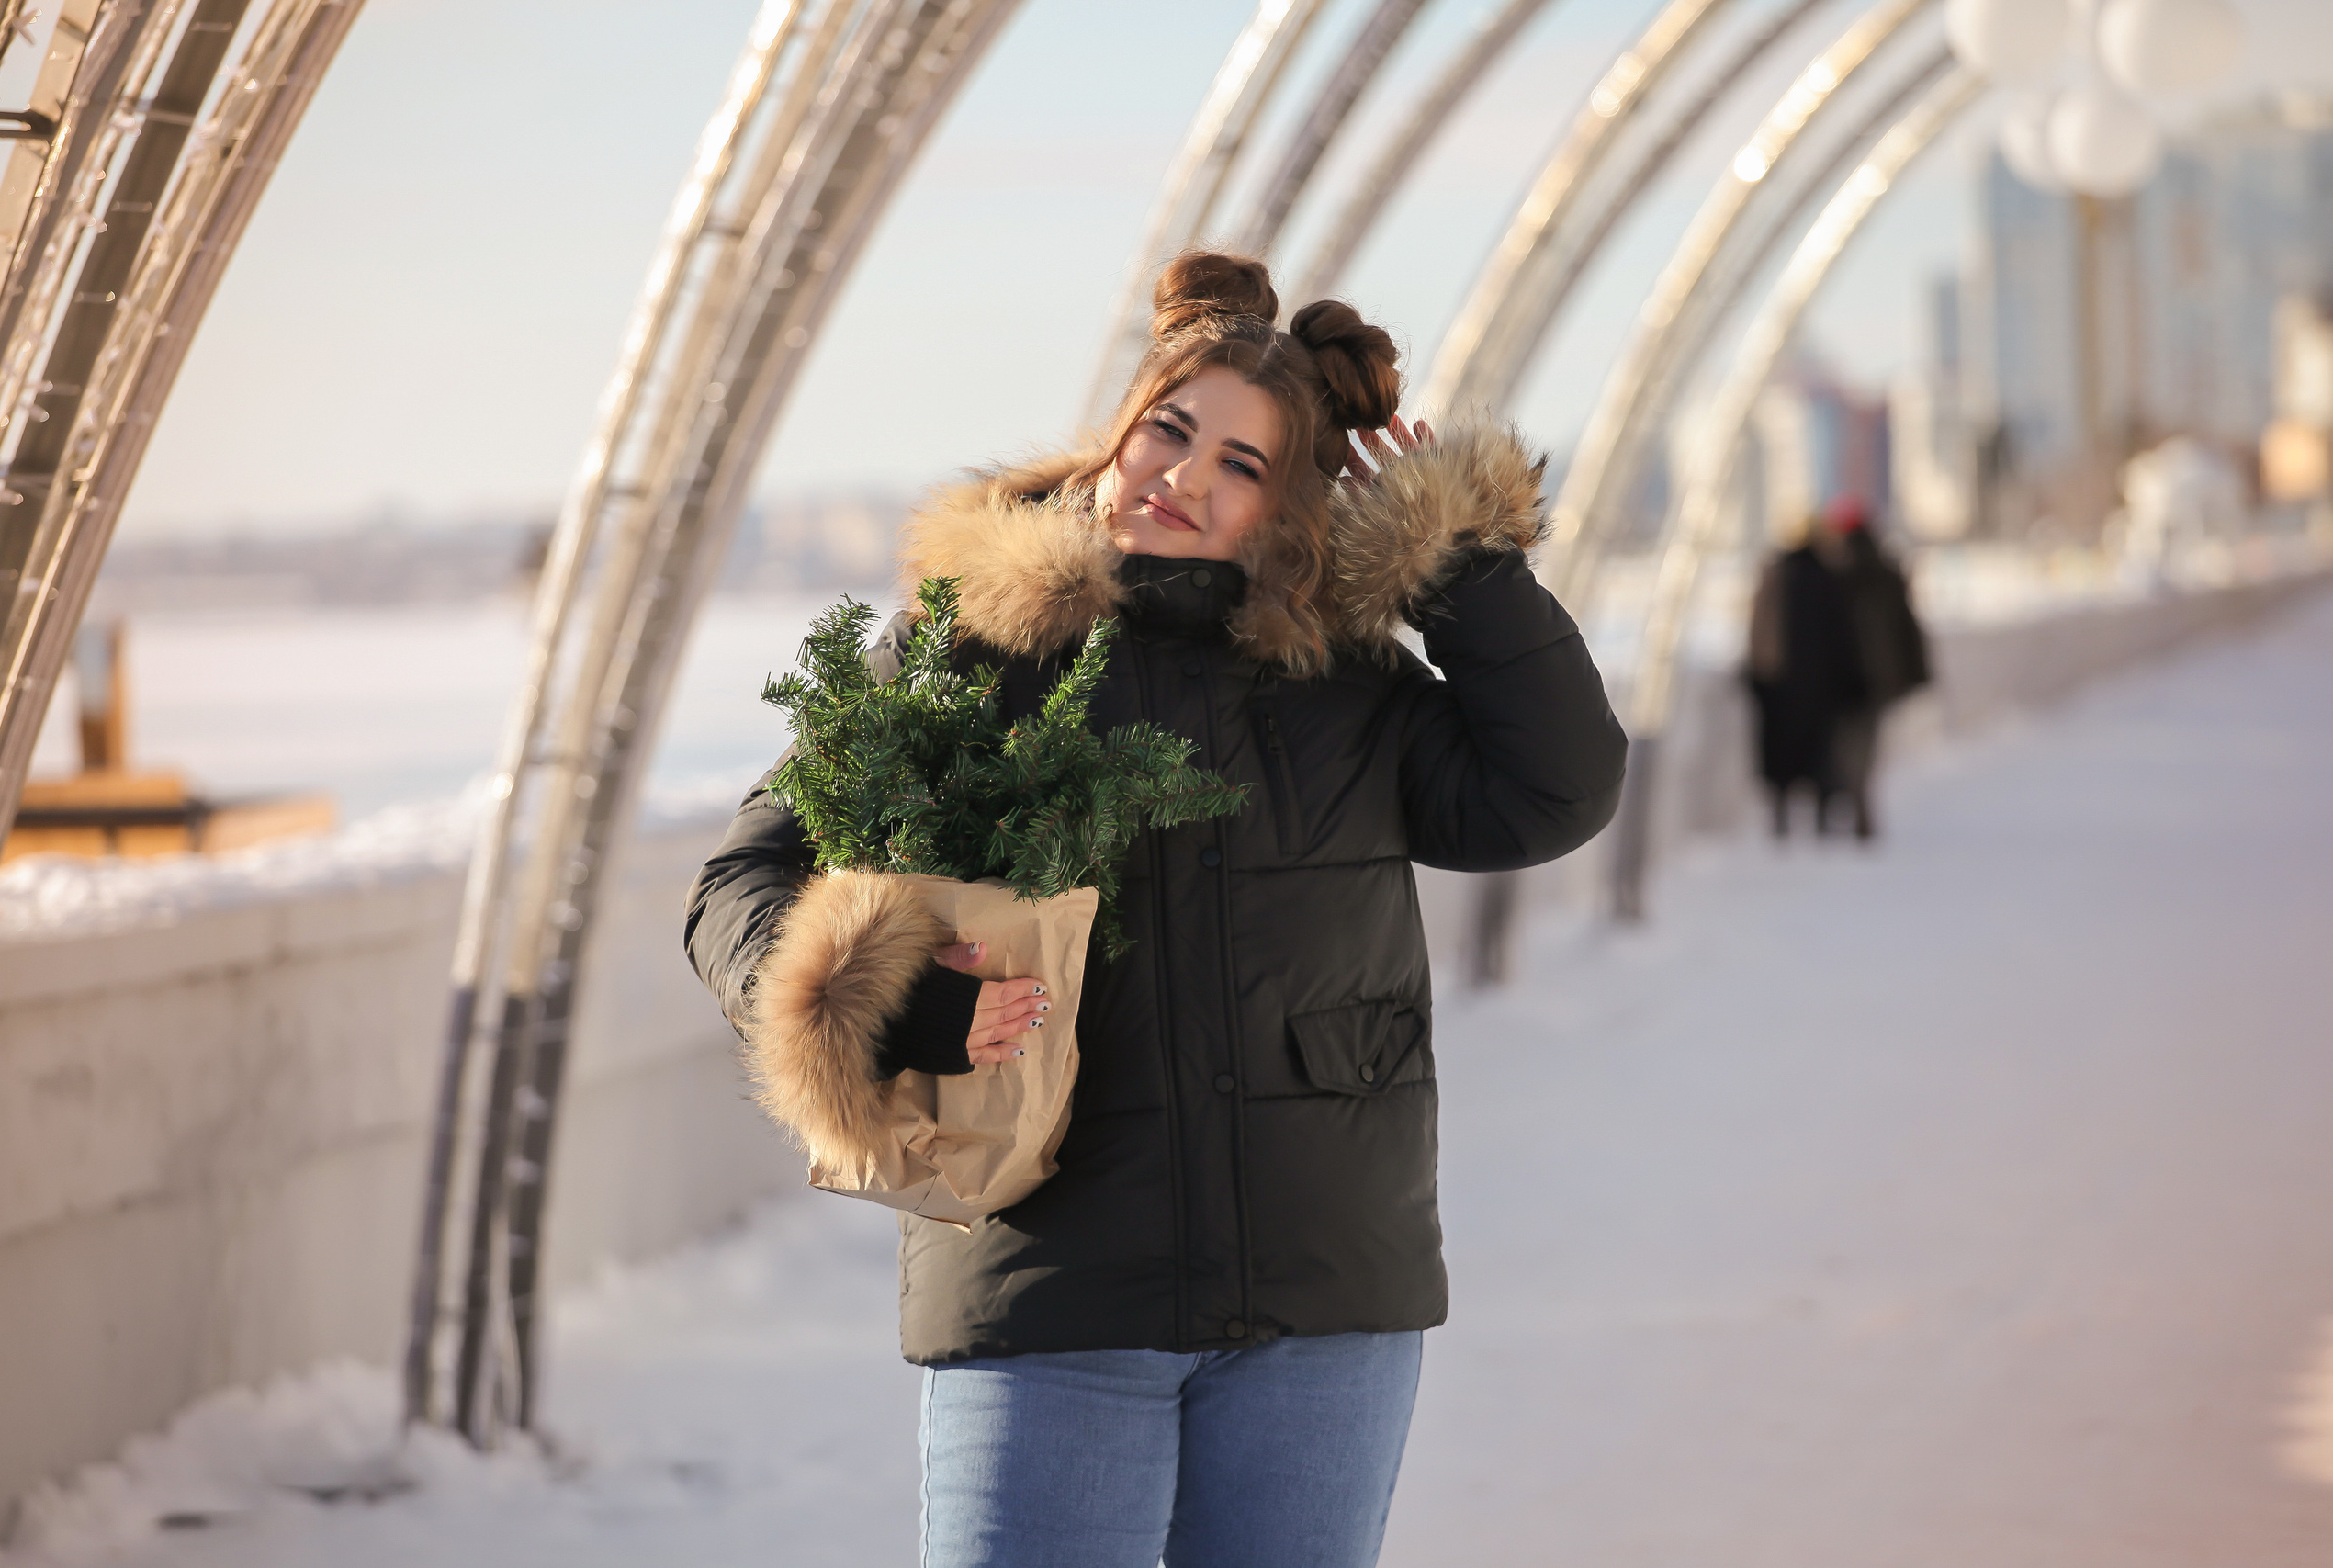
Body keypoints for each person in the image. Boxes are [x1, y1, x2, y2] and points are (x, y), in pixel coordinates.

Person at [684, 252, 1627, 1568]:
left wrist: (1457, 569)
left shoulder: (1350, 682)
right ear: (1119, 430)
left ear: (1288, 499)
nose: (1184, 477)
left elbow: (1554, 791)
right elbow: (741, 886)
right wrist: (903, 1004)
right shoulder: (968, 654)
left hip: (1323, 1305)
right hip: (1049, 1292)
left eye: (1242, 463)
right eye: (1169, 431)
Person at [1745, 493, 1930, 840]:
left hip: (1823, 679)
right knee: (1854, 745)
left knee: (1812, 747)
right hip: (1862, 679)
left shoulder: (1816, 572)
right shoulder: (1869, 571)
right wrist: (1913, 672)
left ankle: (1828, 803)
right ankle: (1853, 798)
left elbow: (1766, 632)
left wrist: (1761, 672)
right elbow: (1903, 629)